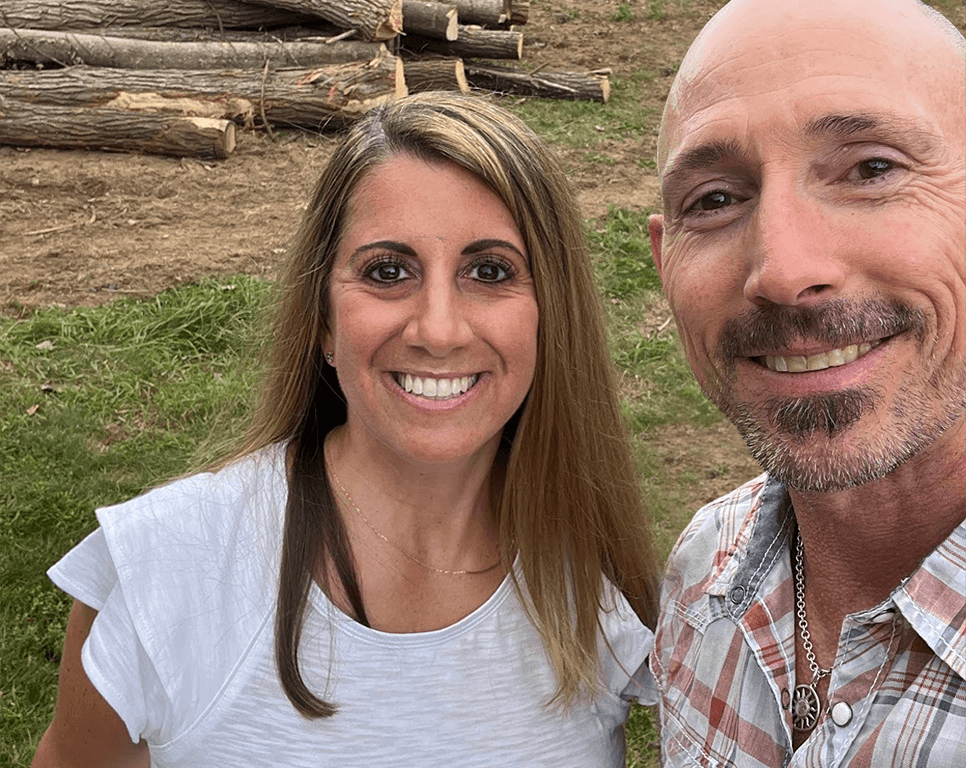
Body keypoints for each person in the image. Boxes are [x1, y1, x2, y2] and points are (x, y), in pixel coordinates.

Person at [31, 92, 661, 767]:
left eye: (490, 271)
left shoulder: (601, 589)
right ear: (325, 319)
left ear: (549, 314)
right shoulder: (166, 574)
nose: (439, 330)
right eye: (388, 272)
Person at [647, 0, 966, 764]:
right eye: (715, 200)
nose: (784, 272)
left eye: (872, 169)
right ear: (663, 262)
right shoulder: (704, 572)